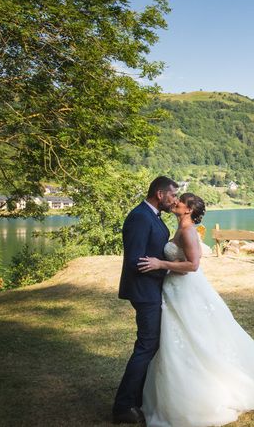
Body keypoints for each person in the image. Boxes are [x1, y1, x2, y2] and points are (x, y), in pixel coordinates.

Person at [138, 193, 254, 427]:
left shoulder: (187, 232)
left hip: (186, 289)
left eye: (180, 201)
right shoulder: (179, 227)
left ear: (188, 210)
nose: (175, 202)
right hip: (174, 289)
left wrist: (160, 264)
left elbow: (193, 265)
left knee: (195, 334)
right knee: (180, 335)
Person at [113, 176, 179, 424]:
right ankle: (123, 406)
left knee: (150, 345)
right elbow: (135, 260)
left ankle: (140, 396)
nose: (174, 200)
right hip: (144, 291)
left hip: (153, 288)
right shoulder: (140, 217)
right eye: (172, 195)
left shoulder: (153, 216)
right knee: (146, 346)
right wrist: (167, 269)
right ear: (160, 194)